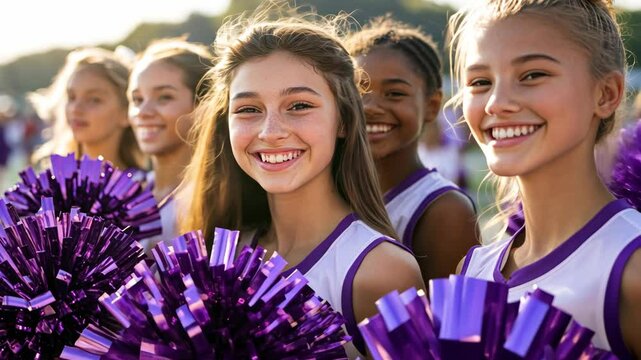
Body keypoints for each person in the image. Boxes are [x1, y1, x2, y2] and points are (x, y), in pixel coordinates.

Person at [178, 4, 424, 356]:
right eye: (248, 109)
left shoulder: (381, 271)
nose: (271, 132)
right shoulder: (221, 251)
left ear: (343, 120)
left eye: (299, 106)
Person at [450, 0, 641, 356]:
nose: (496, 102)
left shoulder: (631, 268)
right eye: (479, 82)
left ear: (606, 94)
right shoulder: (472, 270)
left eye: (532, 75)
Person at [346, 16, 478, 281]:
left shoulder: (445, 210)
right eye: (358, 92)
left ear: (432, 105)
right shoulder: (332, 192)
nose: (370, 106)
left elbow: (448, 321)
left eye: (394, 93)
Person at [127, 38, 213, 253]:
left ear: (204, 106)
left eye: (164, 97)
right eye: (137, 99)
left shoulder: (213, 202)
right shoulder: (124, 191)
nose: (143, 112)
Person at [30, 47, 143, 170]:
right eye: (71, 97)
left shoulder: (143, 185)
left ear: (126, 112)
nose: (75, 109)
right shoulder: (53, 182)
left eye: (94, 100)